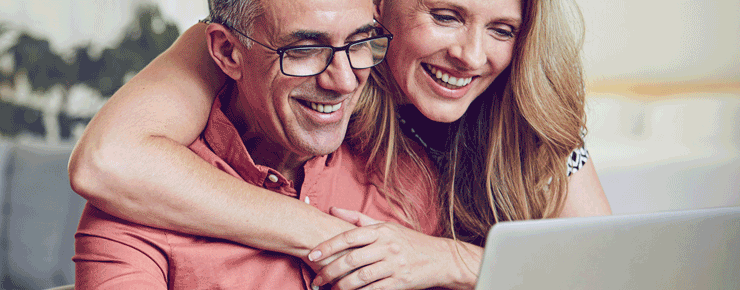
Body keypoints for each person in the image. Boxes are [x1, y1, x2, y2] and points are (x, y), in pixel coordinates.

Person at [69, 0, 613, 288]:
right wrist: (341, 239)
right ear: (381, 7)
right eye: (444, 16)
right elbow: (109, 161)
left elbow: (605, 277)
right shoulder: (271, 41)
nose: (471, 56)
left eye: (502, 29)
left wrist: (450, 261)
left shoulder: (526, 117)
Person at [72, 0, 430, 288]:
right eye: (304, 49)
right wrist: (327, 235)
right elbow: (104, 162)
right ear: (228, 52)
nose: (344, 80)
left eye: (360, 43)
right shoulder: (139, 206)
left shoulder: (410, 180)